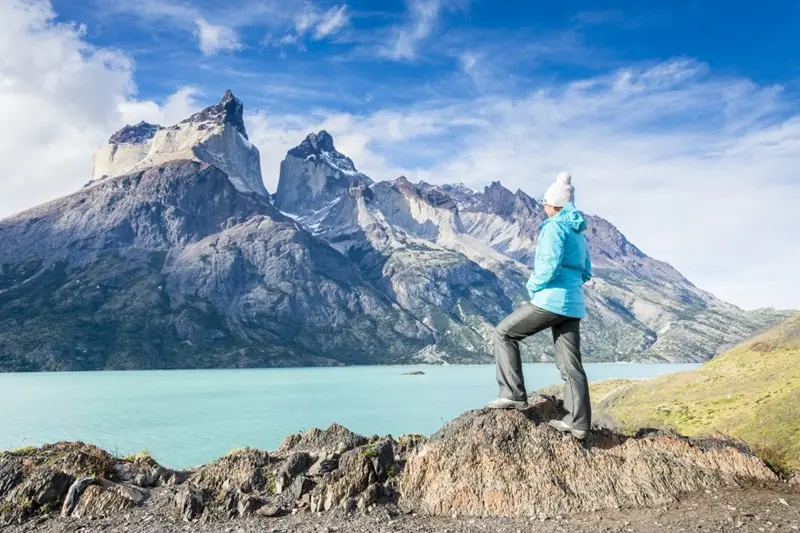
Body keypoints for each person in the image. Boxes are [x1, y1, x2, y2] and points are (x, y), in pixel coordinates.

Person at [485, 171, 593, 440]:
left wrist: (534, 287)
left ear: (552, 205)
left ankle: (512, 394)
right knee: (571, 365)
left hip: (551, 301)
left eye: (544, 203)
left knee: (504, 333)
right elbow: (586, 271)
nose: (543, 207)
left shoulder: (554, 227)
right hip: (573, 304)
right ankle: (578, 423)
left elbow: (548, 265)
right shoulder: (579, 233)